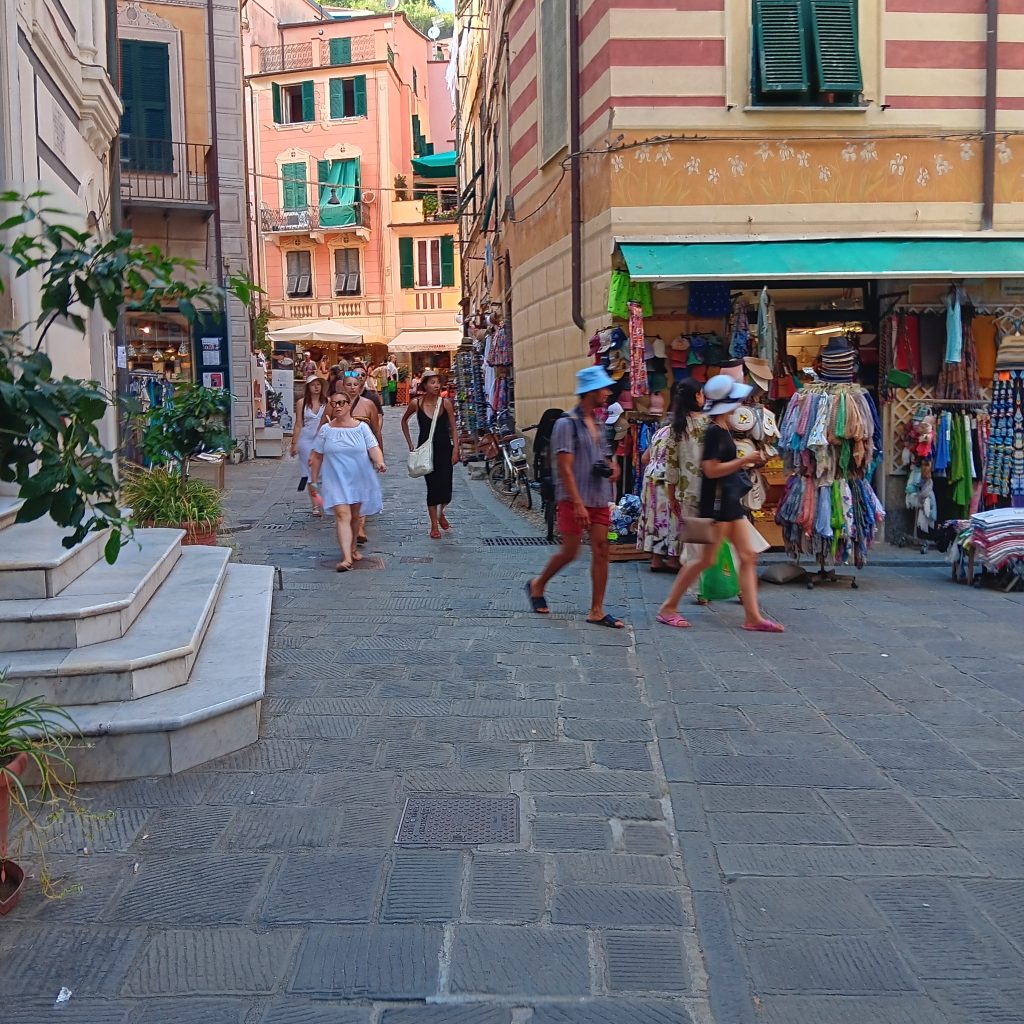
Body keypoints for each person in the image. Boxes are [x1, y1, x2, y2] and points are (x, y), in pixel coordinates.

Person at [656, 374, 783, 633]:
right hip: (714, 507)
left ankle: (753, 616)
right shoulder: (714, 430)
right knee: (703, 560)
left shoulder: (720, 428)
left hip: (726, 503)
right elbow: (711, 470)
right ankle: (668, 608)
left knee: (747, 556)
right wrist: (744, 461)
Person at [527, 365, 626, 629]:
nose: (608, 392)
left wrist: (613, 467)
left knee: (602, 549)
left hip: (598, 495)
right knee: (570, 552)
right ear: (590, 392)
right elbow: (565, 468)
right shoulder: (566, 424)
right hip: (574, 498)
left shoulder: (600, 423)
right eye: (603, 388)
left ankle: (597, 609)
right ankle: (537, 585)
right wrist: (578, 504)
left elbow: (605, 457)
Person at [308, 392, 386, 572]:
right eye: (333, 403)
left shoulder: (361, 428)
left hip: (358, 478)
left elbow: (373, 447)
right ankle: (346, 558)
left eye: (341, 403)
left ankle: (352, 548)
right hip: (335, 480)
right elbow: (317, 456)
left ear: (349, 405)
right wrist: (313, 482)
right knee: (343, 516)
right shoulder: (326, 430)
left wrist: (379, 461)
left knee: (355, 516)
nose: (337, 406)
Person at [401, 368, 459, 538]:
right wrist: (410, 444)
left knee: (447, 488)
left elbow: (454, 428)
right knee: (432, 487)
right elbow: (404, 421)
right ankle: (434, 525)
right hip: (426, 450)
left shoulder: (445, 403)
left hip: (444, 449)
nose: (436, 385)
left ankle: (442, 513)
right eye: (432, 382)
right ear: (425, 385)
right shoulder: (416, 404)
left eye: (438, 382)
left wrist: (456, 448)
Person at [291, 376, 327, 516]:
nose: (316, 387)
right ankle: (315, 505)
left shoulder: (327, 402)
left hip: (322, 439)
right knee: (308, 474)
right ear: (308, 388)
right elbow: (299, 424)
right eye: (313, 385)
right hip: (306, 440)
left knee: (324, 472)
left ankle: (323, 499)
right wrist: (294, 443)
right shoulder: (302, 403)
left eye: (318, 384)